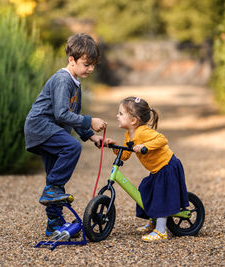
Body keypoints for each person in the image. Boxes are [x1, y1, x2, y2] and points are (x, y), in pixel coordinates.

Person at [24, 33, 107, 236]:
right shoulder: (63, 80)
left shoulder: (74, 82)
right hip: (41, 127)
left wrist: (90, 135)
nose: (91, 69)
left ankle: (54, 223)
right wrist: (90, 121)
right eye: (86, 64)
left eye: (93, 64)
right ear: (72, 59)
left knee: (54, 182)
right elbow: (62, 113)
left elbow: (72, 115)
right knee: (71, 147)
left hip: (50, 131)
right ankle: (53, 191)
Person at [107, 96, 189, 241]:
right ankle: (154, 220)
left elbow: (162, 139)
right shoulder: (128, 134)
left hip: (167, 166)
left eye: (120, 113)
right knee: (145, 190)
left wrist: (145, 147)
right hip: (157, 170)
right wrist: (114, 146)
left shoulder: (143, 132)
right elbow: (125, 155)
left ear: (133, 120)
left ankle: (161, 231)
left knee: (160, 196)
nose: (117, 116)